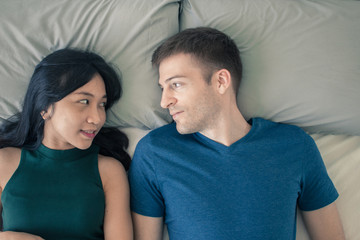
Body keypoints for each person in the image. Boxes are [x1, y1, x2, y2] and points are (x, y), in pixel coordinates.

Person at [128, 27, 345, 240]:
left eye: (176, 84)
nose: (165, 101)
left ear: (221, 81)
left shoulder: (295, 146)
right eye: (162, 88)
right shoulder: (154, 152)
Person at [0, 49, 133, 240]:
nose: (97, 118)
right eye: (84, 101)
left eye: (102, 105)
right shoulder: (4, 162)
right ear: (45, 107)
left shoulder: (109, 171)